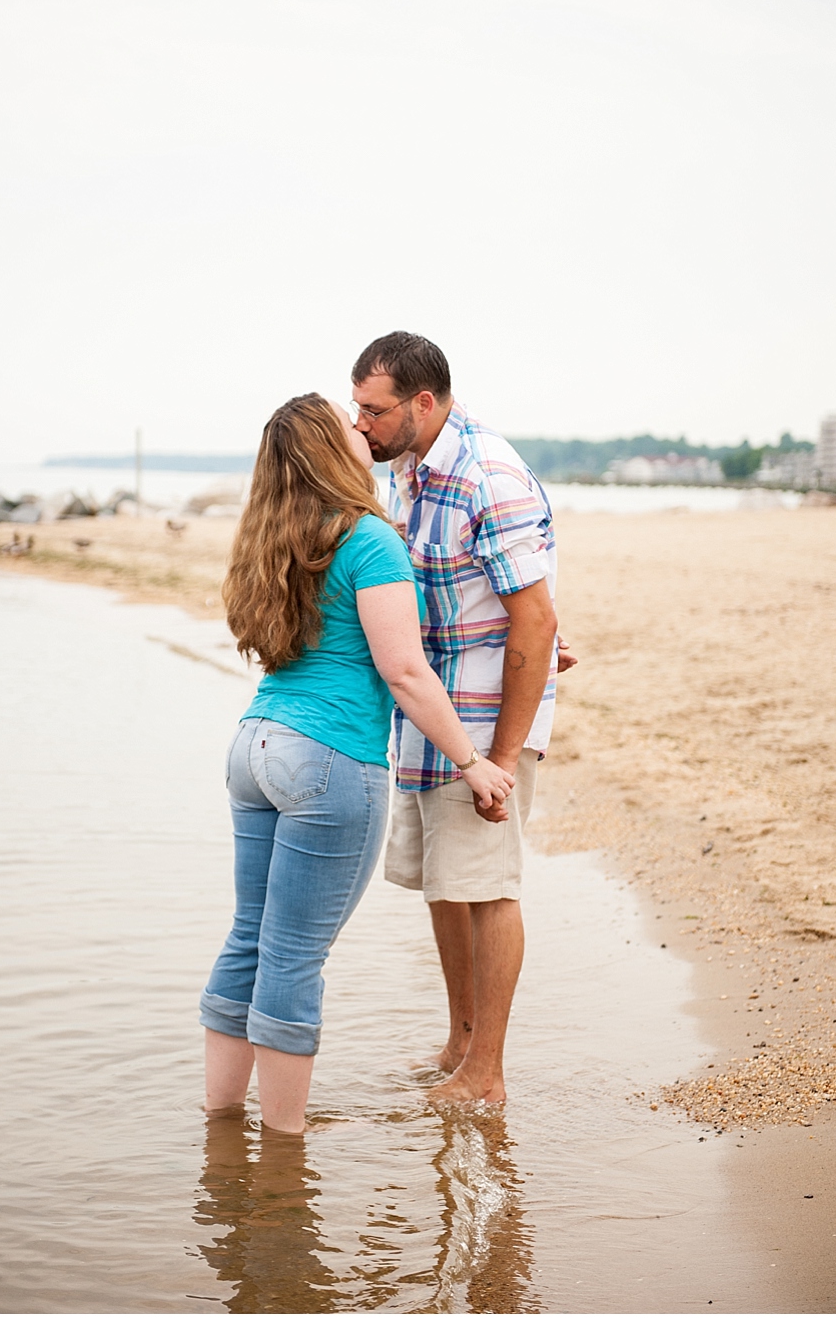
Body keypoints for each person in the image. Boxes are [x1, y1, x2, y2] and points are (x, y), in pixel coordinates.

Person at [199, 392, 515, 1134]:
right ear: (330, 452)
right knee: (293, 955)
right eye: (350, 424)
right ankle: (282, 1155)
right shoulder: (368, 539)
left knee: (250, 936)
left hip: (255, 744)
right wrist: (473, 762)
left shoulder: (272, 539)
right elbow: (404, 670)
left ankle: (219, 1125)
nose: (363, 428)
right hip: (328, 758)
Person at [350, 333, 576, 1105]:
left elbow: (534, 619)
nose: (360, 425)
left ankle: (488, 1076)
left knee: (487, 887)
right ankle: (461, 1042)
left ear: (424, 402)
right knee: (445, 885)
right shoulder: (408, 470)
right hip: (428, 708)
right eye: (356, 407)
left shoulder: (490, 477)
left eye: (372, 410)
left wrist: (504, 758)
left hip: (484, 720)